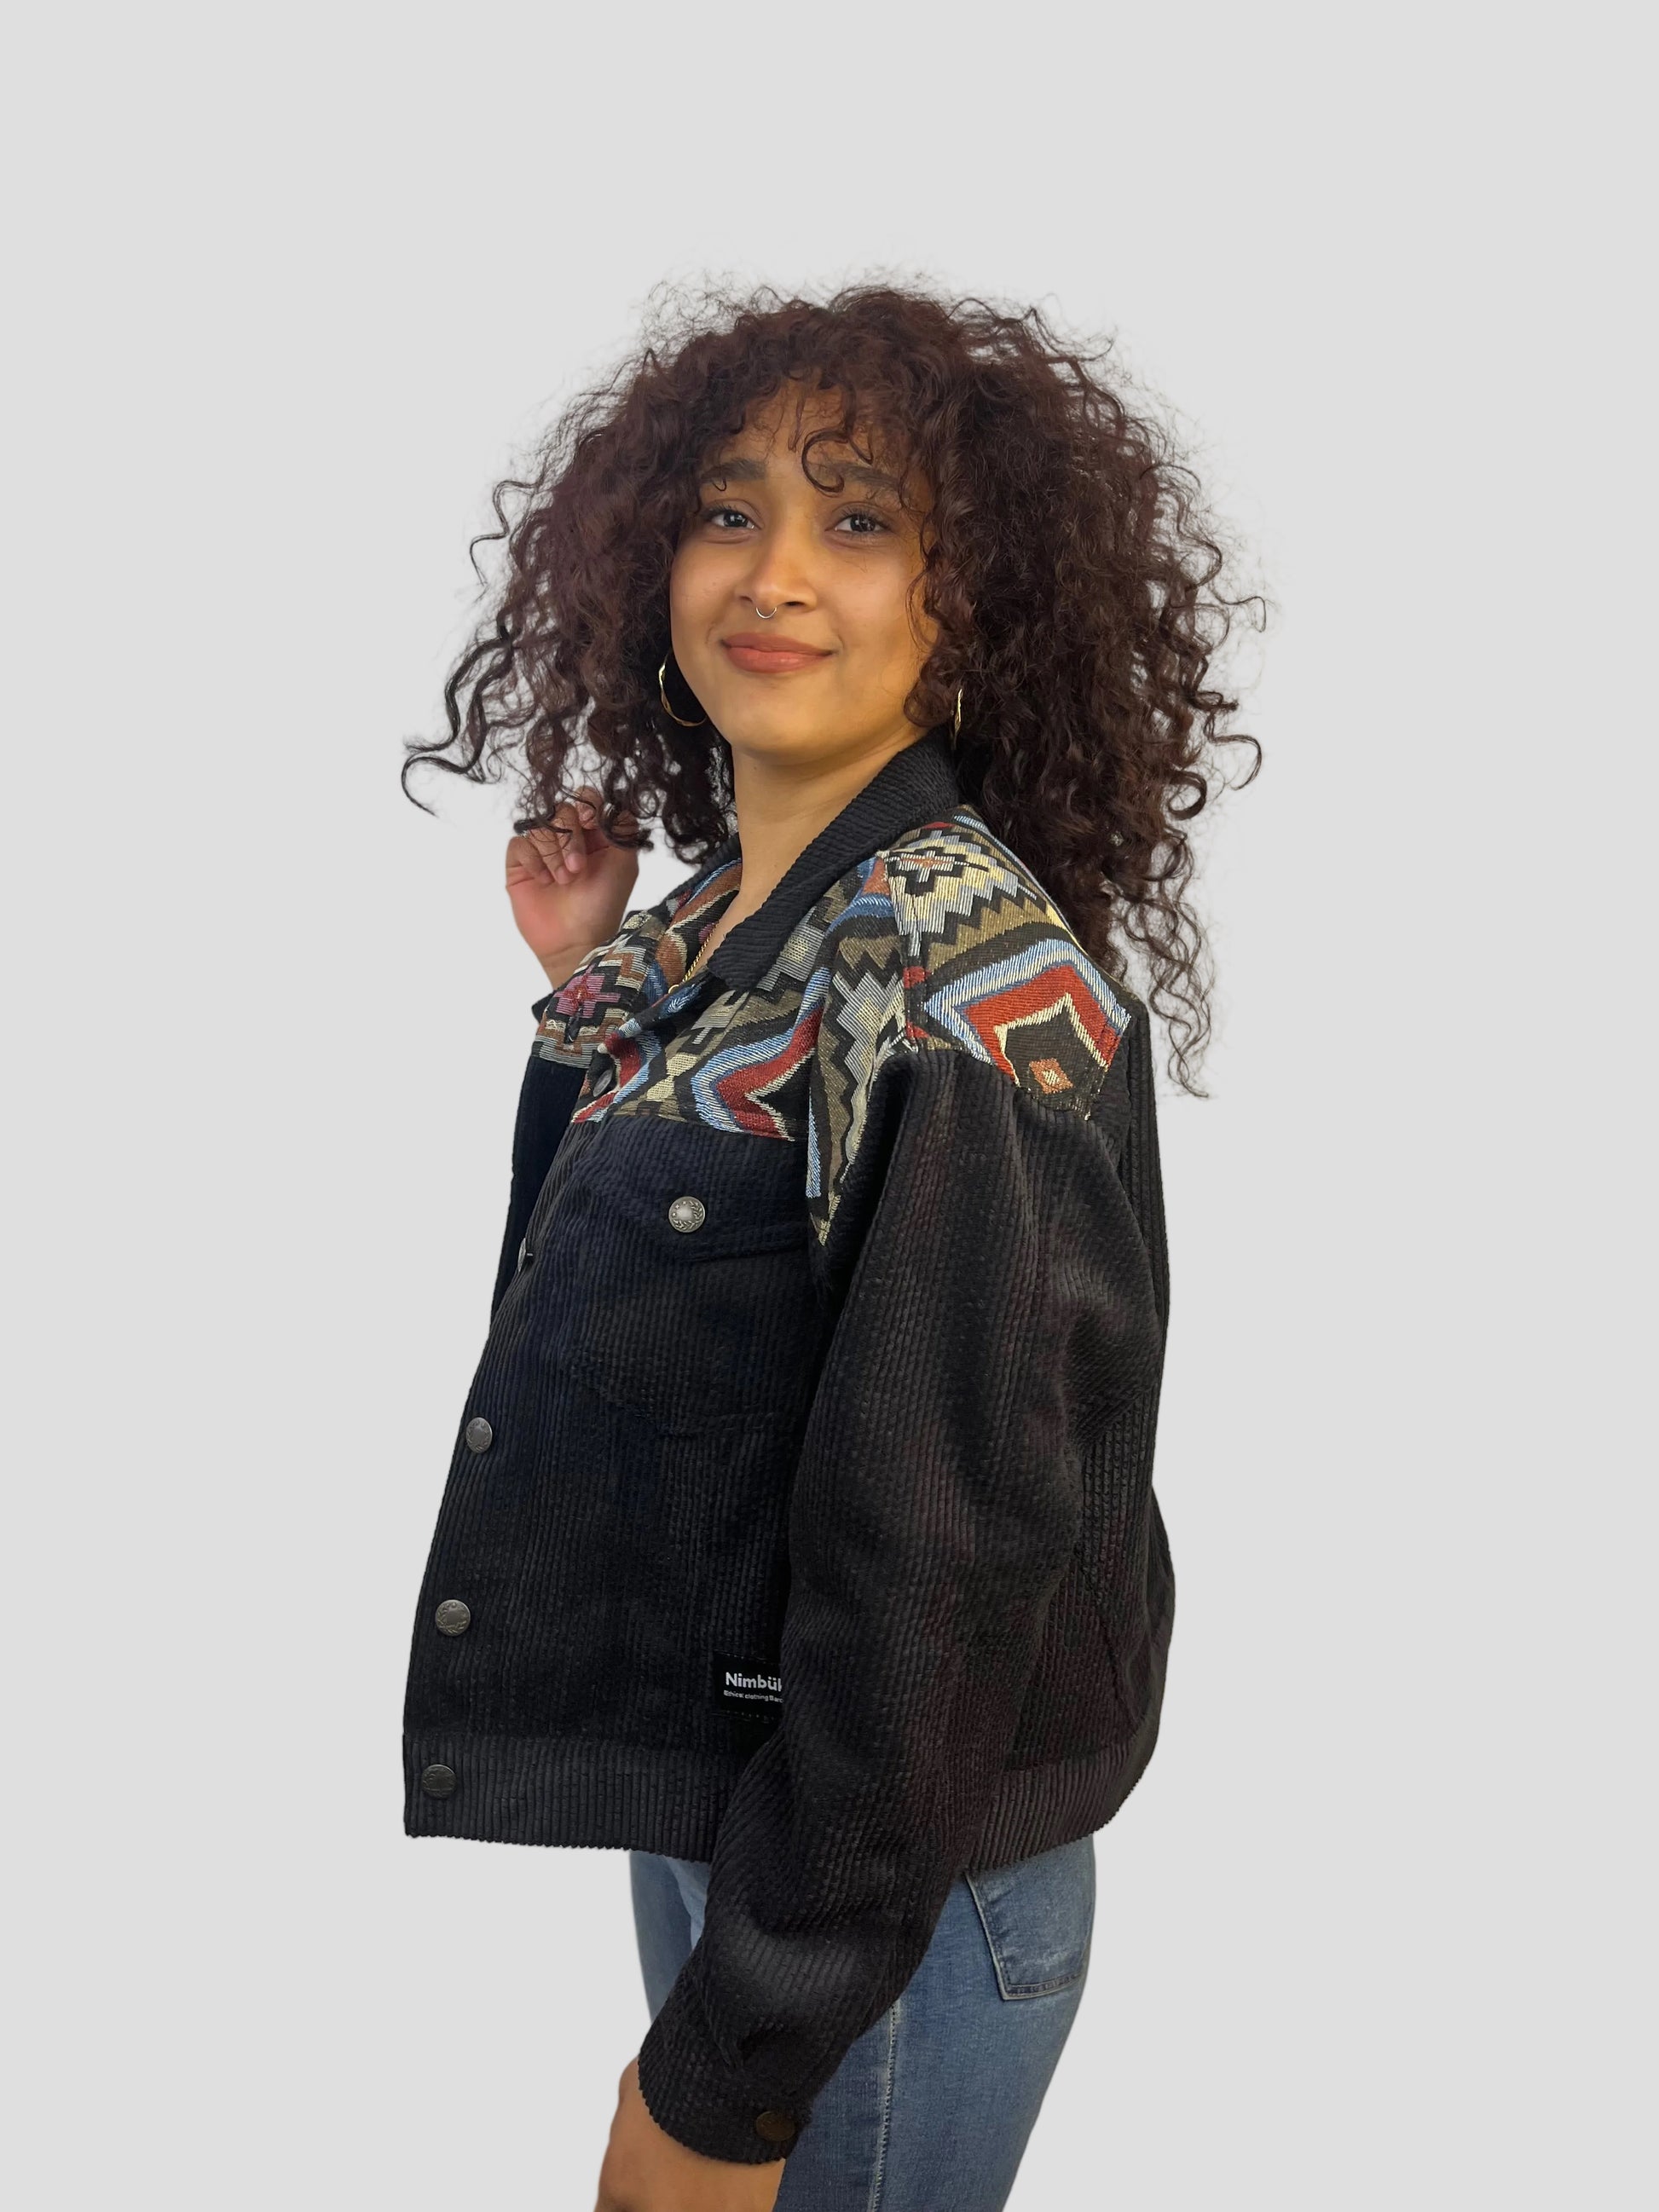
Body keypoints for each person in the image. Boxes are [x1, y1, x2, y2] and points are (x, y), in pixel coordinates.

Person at [399, 281, 1258, 2211]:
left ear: (979, 598)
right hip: (762, 1815)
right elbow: (641, 1317)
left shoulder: (951, 968)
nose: (772, 571)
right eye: (729, 509)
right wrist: (596, 973)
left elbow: (942, 1569)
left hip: (878, 1890)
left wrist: (735, 2067)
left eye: (858, 518)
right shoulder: (744, 916)